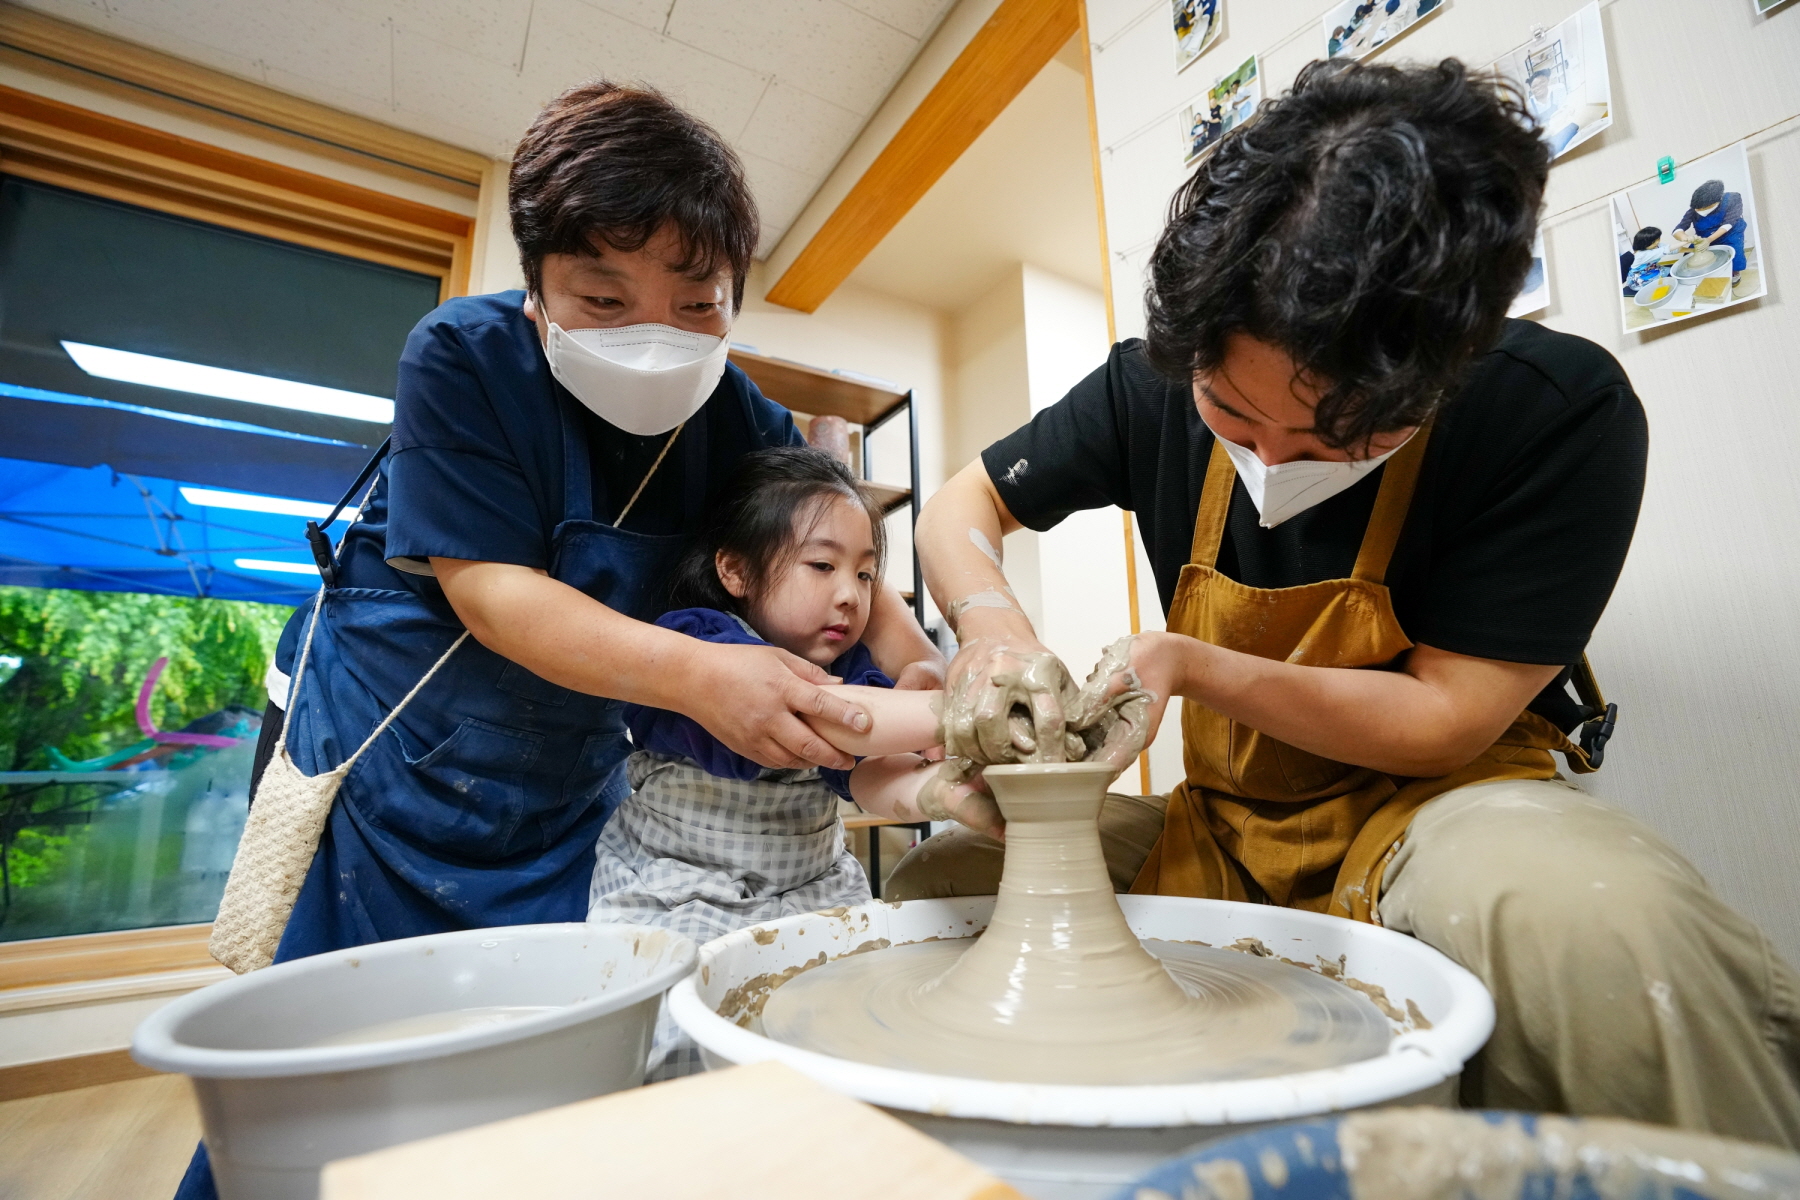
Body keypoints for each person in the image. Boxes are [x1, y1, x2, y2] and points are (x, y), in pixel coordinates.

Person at [896, 58, 1800, 1145]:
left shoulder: (1555, 411)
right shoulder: (1149, 381)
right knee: (943, 884)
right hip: (1225, 827)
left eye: (1337, 439)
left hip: (1435, 810)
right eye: (1231, 413)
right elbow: (960, 509)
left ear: (1449, 370)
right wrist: (991, 634)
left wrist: (1188, 665)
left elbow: (1448, 716)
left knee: (1605, 930)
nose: (1275, 458)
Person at [177, 83, 941, 1199]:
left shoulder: (730, 412)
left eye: (696, 304)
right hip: (405, 778)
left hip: (573, 795)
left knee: (540, 1091)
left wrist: (925, 664)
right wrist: (700, 675)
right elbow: (496, 594)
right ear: (535, 293)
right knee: (338, 1080)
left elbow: (831, 525)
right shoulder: (461, 358)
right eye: (602, 296)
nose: (655, 334)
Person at [587, 447, 964, 1077]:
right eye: (823, 565)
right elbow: (826, 715)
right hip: (682, 889)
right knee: (683, 1053)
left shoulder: (850, 671)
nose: (851, 595)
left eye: (867, 575)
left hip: (808, 888)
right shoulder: (700, 640)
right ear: (735, 570)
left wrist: (943, 795)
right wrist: (962, 712)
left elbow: (868, 771)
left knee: (846, 1032)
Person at [1673, 178, 1748, 287]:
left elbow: (1729, 223)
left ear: (1717, 201)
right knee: (1689, 254)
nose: (1699, 211)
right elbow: (1678, 229)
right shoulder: (1694, 210)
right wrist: (1685, 238)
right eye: (1697, 209)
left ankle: (1735, 273)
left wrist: (1709, 240)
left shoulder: (1732, 199)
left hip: (1730, 232)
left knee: (1735, 252)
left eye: (1703, 208)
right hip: (1705, 236)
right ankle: (1701, 276)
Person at [1621, 226, 1663, 295]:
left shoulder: (1655, 248)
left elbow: (1670, 249)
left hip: (1652, 270)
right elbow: (1667, 250)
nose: (1657, 242)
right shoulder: (1639, 255)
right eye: (1655, 241)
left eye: (1658, 239)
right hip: (1641, 280)